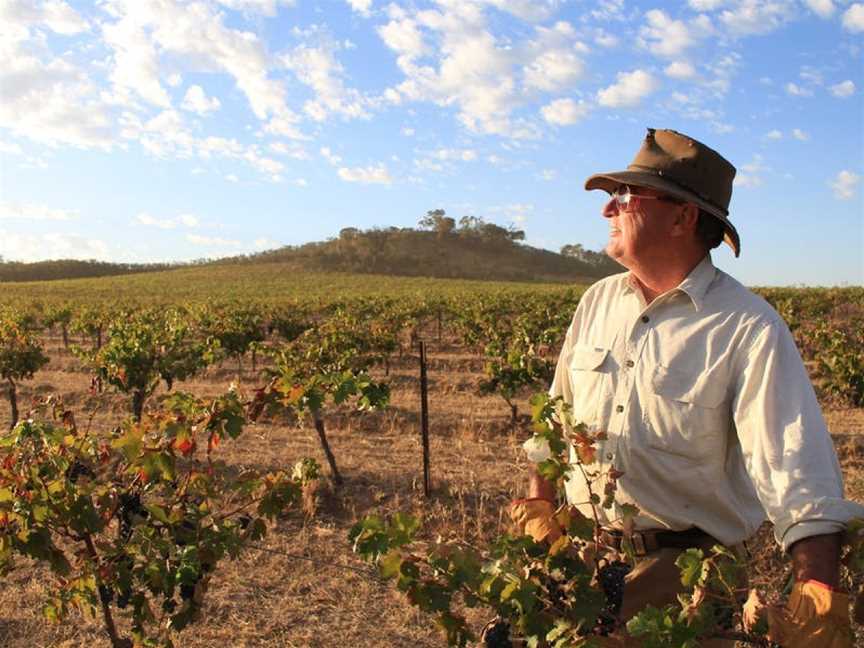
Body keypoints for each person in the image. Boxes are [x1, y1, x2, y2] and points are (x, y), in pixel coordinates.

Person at [511, 128, 863, 647]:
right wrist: (541, 509)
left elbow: (797, 475)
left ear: (682, 216)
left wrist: (816, 592)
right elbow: (554, 423)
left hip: (685, 583)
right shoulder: (597, 303)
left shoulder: (747, 327)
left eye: (626, 197)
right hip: (581, 564)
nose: (608, 210)